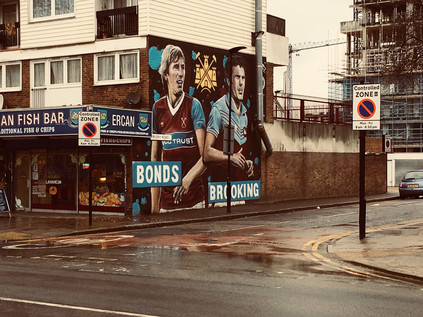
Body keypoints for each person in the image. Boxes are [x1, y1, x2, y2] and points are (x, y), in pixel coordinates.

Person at [151, 44, 206, 213]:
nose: (181, 73)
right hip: (167, 204)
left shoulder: (193, 106)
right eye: (176, 67)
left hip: (194, 201)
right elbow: (155, 162)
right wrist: (154, 209)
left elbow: (206, 157)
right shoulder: (158, 108)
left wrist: (187, 180)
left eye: (183, 67)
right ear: (166, 74)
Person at [204, 54, 254, 181]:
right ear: (228, 81)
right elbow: (207, 152)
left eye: (243, 78)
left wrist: (245, 163)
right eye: (237, 77)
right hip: (220, 187)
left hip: (238, 190)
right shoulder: (218, 109)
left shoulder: (245, 114)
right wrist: (231, 157)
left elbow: (237, 153)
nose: (241, 83)